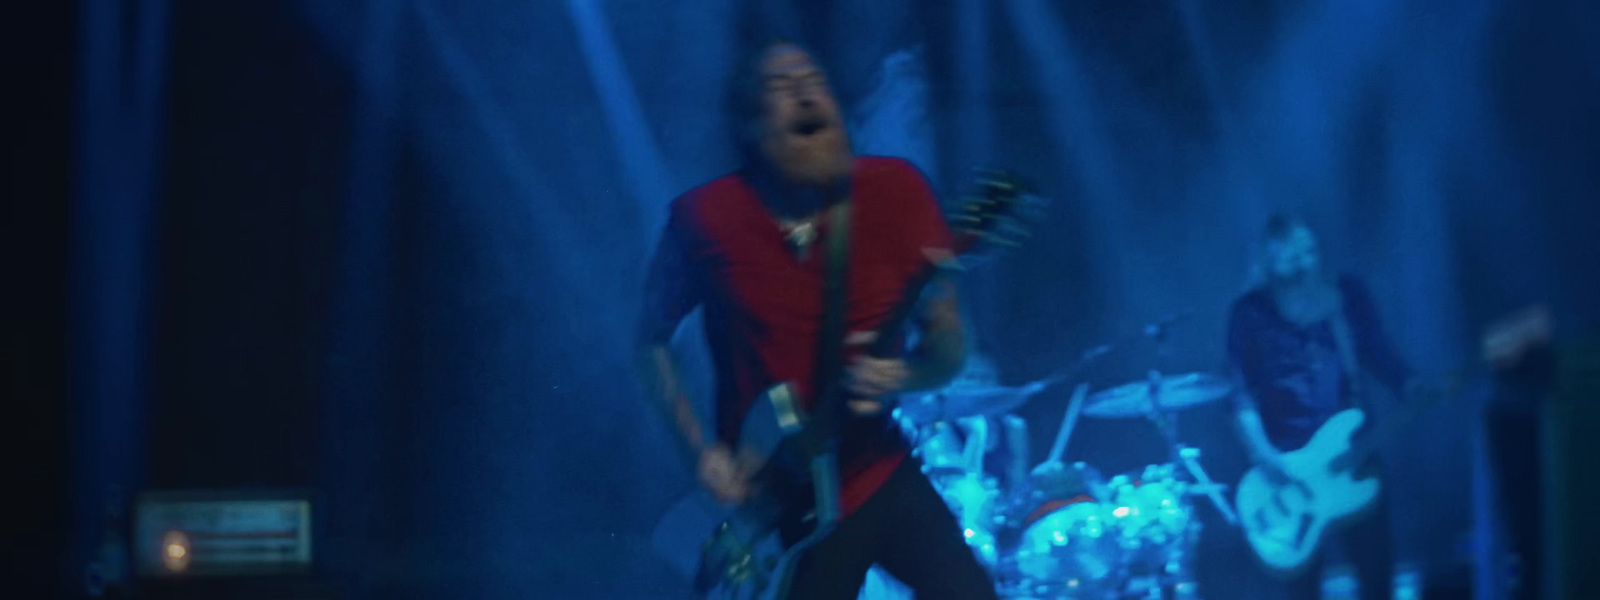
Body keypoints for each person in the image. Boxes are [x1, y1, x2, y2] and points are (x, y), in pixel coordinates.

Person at [637, 40, 997, 600]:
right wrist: (699, 452)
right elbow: (650, 342)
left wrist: (903, 376)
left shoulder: (897, 193)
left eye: (814, 79)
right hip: (775, 497)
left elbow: (948, 345)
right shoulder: (702, 219)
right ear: (751, 127)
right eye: (780, 86)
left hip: (878, 469)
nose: (805, 90)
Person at [1226, 214, 1418, 600]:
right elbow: (1240, 394)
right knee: (1301, 591)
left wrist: (1411, 384)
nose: (1303, 264)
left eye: (1309, 252)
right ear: (1266, 264)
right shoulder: (1248, 314)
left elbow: (1378, 351)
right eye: (1290, 257)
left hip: (1354, 458)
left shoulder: (1346, 295)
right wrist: (1265, 457)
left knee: (1376, 577)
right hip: (1287, 470)